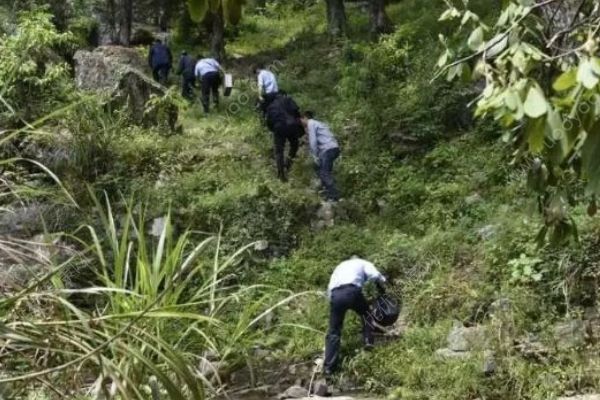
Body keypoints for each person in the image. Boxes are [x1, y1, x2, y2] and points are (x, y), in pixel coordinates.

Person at [324, 256, 386, 375]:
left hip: (335, 295)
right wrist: (383, 282)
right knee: (367, 314)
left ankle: (328, 369)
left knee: (334, 332)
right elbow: (374, 275)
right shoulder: (363, 262)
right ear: (357, 258)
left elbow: (329, 288)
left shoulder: (340, 266)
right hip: (352, 291)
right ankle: (368, 341)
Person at [300, 112, 341, 201]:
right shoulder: (318, 123)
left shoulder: (311, 123)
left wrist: (314, 155)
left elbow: (313, 141)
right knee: (319, 169)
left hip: (328, 149)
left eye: (300, 120)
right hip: (333, 148)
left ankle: (334, 195)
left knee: (324, 172)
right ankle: (328, 191)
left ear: (304, 118)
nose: (300, 123)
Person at [265, 93, 304, 182]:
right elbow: (297, 112)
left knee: (279, 151)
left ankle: (281, 173)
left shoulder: (270, 106)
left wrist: (274, 130)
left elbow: (269, 122)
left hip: (279, 128)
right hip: (292, 125)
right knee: (294, 145)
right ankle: (288, 164)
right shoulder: (288, 99)